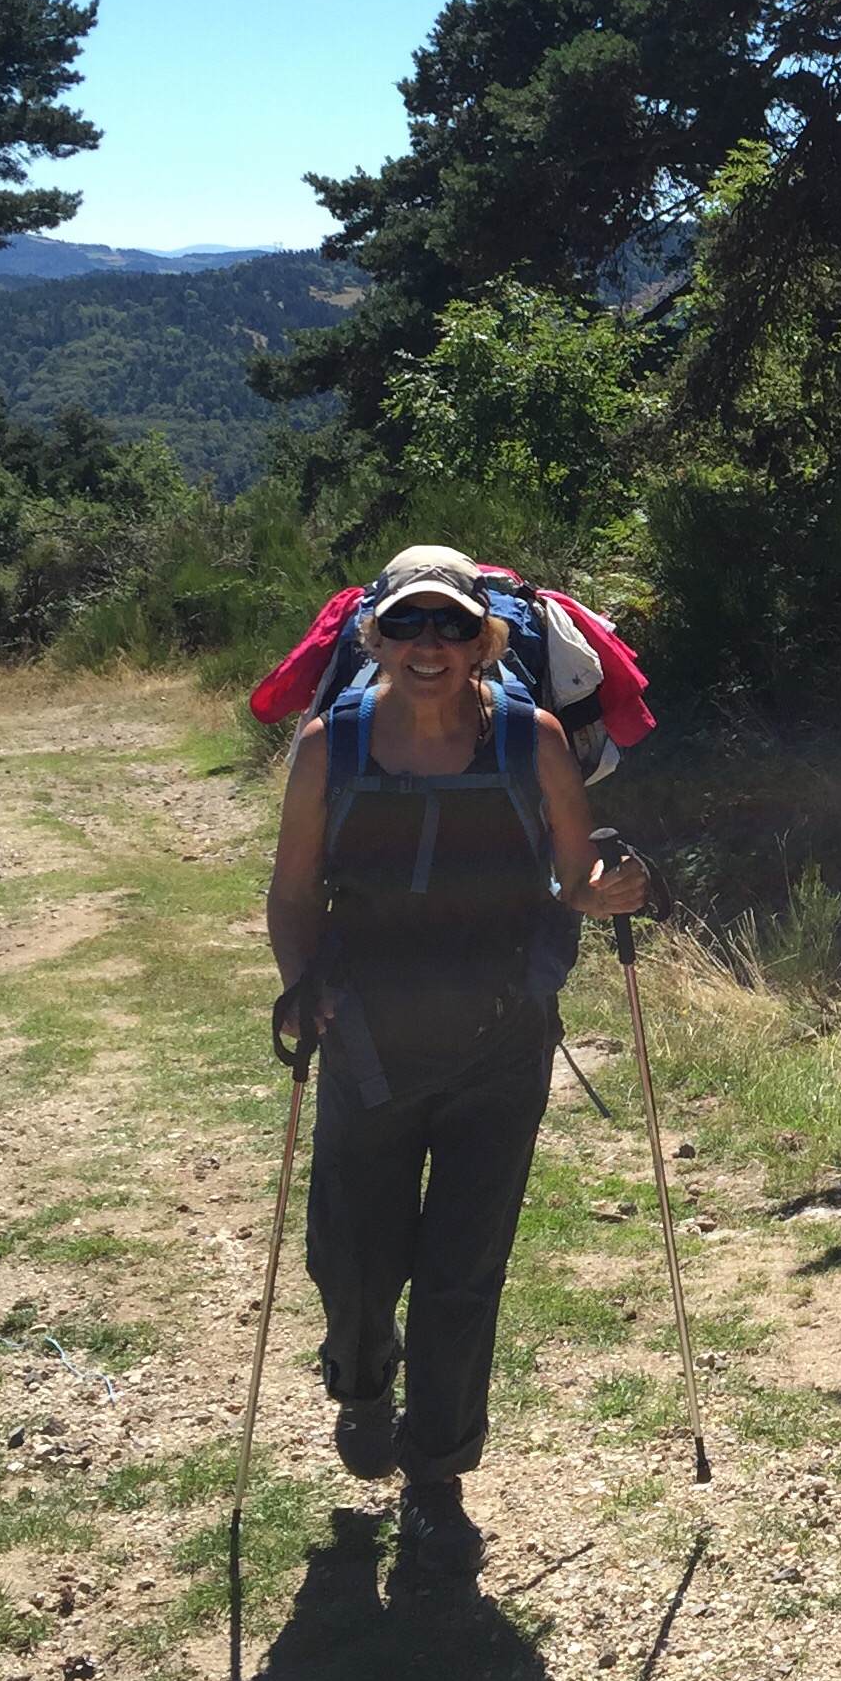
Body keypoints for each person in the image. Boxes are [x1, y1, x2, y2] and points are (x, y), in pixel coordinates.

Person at [266, 544, 647, 1578]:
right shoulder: (329, 747)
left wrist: (611, 890)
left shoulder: (532, 738)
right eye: (406, 624)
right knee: (351, 1262)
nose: (427, 643)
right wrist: (304, 986)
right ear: (374, 638)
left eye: (450, 624)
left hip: (499, 1044)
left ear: (486, 639)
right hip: (367, 1041)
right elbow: (293, 894)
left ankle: (437, 1481)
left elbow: (575, 877)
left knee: (462, 1271)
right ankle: (361, 1380)